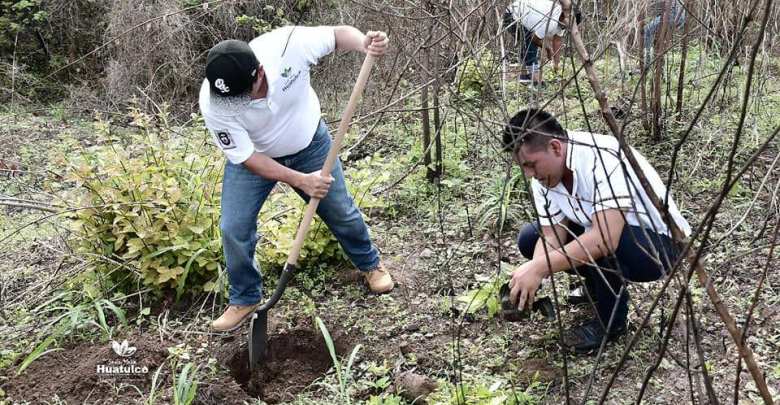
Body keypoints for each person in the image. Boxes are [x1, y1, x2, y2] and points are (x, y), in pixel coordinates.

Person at [199, 25, 395, 332]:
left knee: (340, 210)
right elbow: (248, 158)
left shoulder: (287, 47)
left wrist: (364, 42)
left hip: (310, 145)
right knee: (233, 227)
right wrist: (301, 180)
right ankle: (245, 297)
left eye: (241, 96)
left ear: (259, 74)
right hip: (257, 158)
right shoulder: (214, 101)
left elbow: (337, 35)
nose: (235, 104)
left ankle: (371, 265)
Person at [501, 109, 691, 353]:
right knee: (530, 238)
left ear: (556, 147)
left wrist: (540, 268)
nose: (529, 174)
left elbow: (605, 239)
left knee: (601, 242)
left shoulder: (602, 158)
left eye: (531, 164)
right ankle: (597, 288)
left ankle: (610, 324)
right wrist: (532, 277)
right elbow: (551, 235)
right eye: (523, 167)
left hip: (659, 247)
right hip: (609, 233)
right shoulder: (544, 176)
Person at [503, 0, 582, 84]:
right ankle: (535, 78)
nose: (566, 28)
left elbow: (557, 40)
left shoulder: (562, 22)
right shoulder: (553, 19)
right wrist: (548, 49)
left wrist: (556, 63)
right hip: (512, 15)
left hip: (524, 18)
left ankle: (525, 76)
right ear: (564, 16)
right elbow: (535, 38)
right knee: (530, 42)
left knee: (527, 43)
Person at [643, 0, 687, 65]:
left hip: (673, 16)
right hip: (679, 18)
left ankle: (647, 61)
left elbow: (667, 7)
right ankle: (655, 60)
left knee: (647, 29)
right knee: (656, 34)